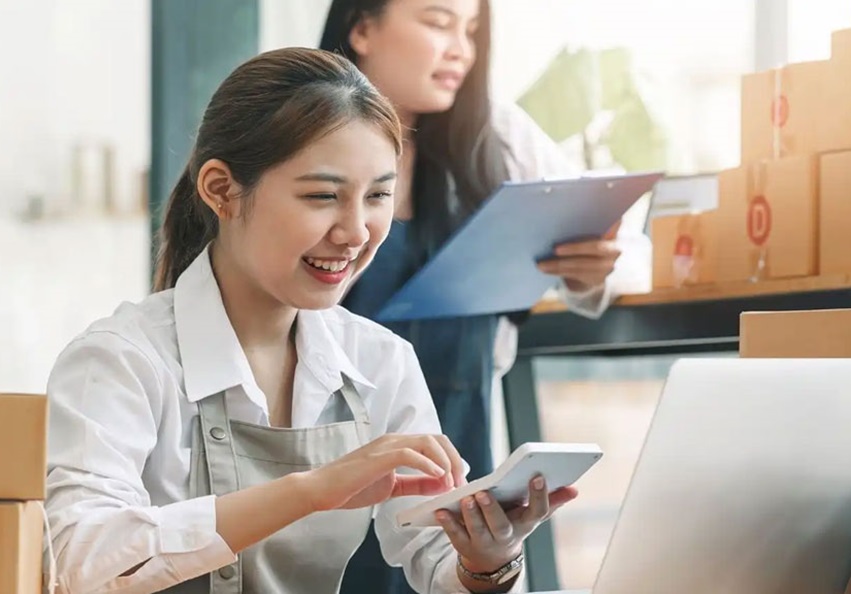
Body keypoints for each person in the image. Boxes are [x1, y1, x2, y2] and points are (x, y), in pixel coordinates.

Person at [42, 48, 577, 594]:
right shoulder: (120, 359)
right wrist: (311, 490)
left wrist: (488, 560)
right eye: (322, 196)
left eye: (377, 196)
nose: (356, 230)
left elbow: (435, 555)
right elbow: (78, 562)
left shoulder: (380, 361)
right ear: (221, 190)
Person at [318, 1, 652, 592]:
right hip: (326, 467)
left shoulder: (491, 134)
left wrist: (585, 271)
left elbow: (624, 242)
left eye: (471, 31)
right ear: (362, 27)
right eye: (438, 22)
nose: (461, 50)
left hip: (459, 455)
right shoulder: (300, 137)